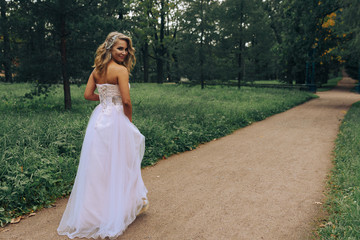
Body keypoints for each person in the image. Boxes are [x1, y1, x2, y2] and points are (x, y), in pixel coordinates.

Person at [57, 32, 148, 239]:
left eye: (126, 49)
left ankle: (93, 214)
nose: (124, 53)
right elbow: (126, 101)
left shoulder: (97, 71)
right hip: (116, 119)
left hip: (99, 120)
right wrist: (128, 121)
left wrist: (106, 98)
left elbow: (88, 95)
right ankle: (118, 209)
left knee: (98, 166)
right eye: (120, 48)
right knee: (121, 162)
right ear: (109, 49)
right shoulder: (121, 71)